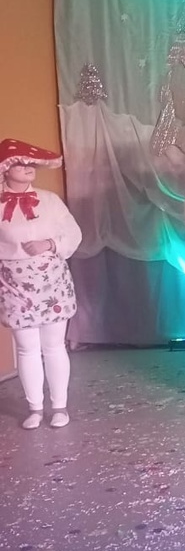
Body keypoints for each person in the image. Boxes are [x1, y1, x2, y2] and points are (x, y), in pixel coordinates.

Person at [0, 139, 82, 429]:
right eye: (20, 163)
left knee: (54, 346)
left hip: (51, 283)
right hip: (14, 286)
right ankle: (34, 407)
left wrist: (49, 244)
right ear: (5, 169)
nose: (28, 167)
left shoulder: (49, 200)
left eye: (30, 163)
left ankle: (59, 406)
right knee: (26, 348)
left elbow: (73, 233)